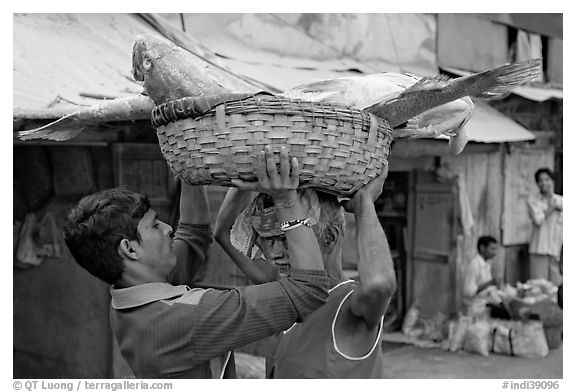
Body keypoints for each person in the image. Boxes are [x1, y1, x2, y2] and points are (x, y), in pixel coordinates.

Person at [62, 147, 330, 378]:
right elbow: (308, 290)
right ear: (130, 249)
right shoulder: (184, 319)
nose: (168, 228)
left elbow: (193, 234)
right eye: (154, 226)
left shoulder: (131, 297)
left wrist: (187, 162)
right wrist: (287, 200)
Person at [215, 159, 396, 378]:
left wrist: (363, 205)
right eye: (268, 242)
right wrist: (250, 173)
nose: (274, 254)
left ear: (329, 237)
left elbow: (380, 284)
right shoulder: (285, 294)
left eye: (284, 239)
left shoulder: (349, 306)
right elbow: (224, 233)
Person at [526, 168, 563, 286]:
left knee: (557, 286)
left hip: (555, 251)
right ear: (537, 183)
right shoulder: (532, 201)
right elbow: (538, 220)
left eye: (547, 179)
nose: (544, 183)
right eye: (540, 180)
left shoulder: (561, 201)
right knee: (539, 286)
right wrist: (552, 208)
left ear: (552, 181)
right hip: (539, 249)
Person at [462, 236, 507, 318]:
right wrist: (490, 283)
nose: (495, 252)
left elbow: (490, 290)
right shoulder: (474, 265)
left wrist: (501, 302)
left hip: (485, 302)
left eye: (495, 249)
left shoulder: (486, 265)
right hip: (476, 307)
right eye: (492, 249)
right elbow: (469, 292)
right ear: (482, 248)